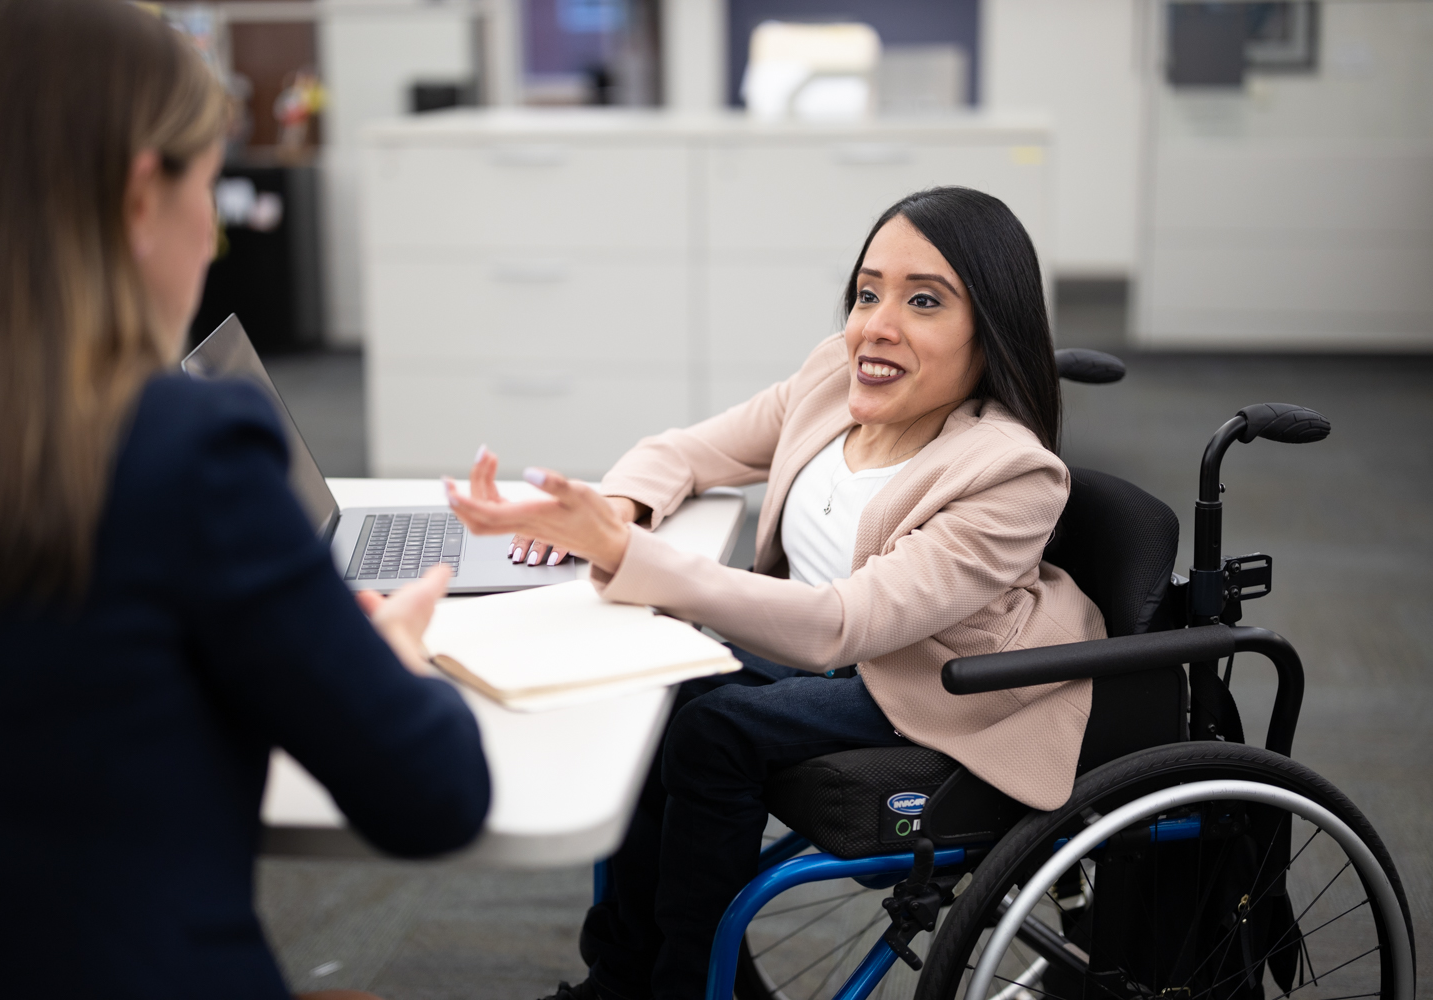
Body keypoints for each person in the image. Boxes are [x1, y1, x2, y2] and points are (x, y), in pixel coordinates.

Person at [0, 1, 488, 997]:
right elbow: (433, 798)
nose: (212, 228)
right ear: (141, 196)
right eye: (212, 184)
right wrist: (398, 657)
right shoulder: (181, 451)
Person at [445, 186, 1108, 1000]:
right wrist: (616, 508)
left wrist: (626, 553)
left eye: (924, 301)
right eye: (868, 292)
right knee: (655, 693)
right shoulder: (836, 377)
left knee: (716, 730)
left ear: (989, 330)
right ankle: (621, 972)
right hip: (828, 655)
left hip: (933, 686)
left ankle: (686, 986)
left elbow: (846, 624)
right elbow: (686, 451)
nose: (875, 324)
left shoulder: (1010, 471)